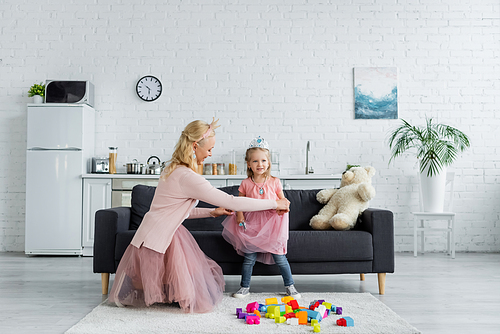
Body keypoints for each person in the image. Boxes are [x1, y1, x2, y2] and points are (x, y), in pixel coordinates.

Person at [108, 119, 290, 313]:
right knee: (201, 297)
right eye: (209, 149)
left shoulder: (173, 169)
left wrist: (212, 212)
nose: (211, 154)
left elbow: (176, 212)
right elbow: (233, 201)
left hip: (153, 234)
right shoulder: (188, 177)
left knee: (192, 290)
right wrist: (274, 203)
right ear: (195, 146)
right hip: (158, 239)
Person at [221, 136, 301, 299]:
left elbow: (282, 201)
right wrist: (240, 215)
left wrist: (284, 207)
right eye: (255, 161)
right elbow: (239, 202)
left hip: (271, 225)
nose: (260, 164)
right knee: (249, 258)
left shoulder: (275, 182)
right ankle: (244, 287)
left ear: (269, 162)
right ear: (249, 164)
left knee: (280, 257)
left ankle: (290, 286)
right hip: (252, 225)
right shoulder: (245, 183)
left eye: (263, 160)